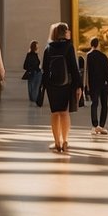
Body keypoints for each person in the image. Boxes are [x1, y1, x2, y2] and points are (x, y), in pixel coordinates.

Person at [42, 22, 82, 153]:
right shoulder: (69, 47)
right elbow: (74, 69)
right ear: (63, 33)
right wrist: (78, 86)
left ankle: (56, 142)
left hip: (52, 86)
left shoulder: (48, 48)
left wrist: (46, 86)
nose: (69, 32)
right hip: (67, 85)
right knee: (64, 113)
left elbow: (44, 70)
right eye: (68, 31)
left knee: (54, 113)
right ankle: (65, 141)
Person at [86, 37, 108, 135]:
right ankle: (101, 126)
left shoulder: (88, 56)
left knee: (94, 104)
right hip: (103, 83)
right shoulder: (103, 56)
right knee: (104, 105)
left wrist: (87, 86)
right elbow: (107, 71)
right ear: (98, 45)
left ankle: (94, 125)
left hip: (93, 83)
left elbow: (87, 72)